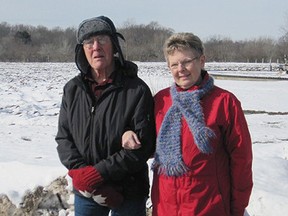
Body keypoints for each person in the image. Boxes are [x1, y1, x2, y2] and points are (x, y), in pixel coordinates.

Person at [55, 15, 156, 216]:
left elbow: (143, 147)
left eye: (102, 39)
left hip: (127, 192)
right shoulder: (73, 89)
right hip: (87, 192)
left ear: (114, 45)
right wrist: (84, 175)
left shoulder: (136, 89)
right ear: (82, 50)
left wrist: (97, 174)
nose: (95, 47)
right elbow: (64, 139)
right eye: (88, 42)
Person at [150, 33, 253, 216]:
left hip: (208, 207)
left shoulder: (224, 102)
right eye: (174, 64)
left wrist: (237, 208)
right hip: (165, 208)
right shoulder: (161, 100)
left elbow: (241, 162)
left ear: (202, 60)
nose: (180, 69)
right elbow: (147, 145)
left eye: (186, 61)